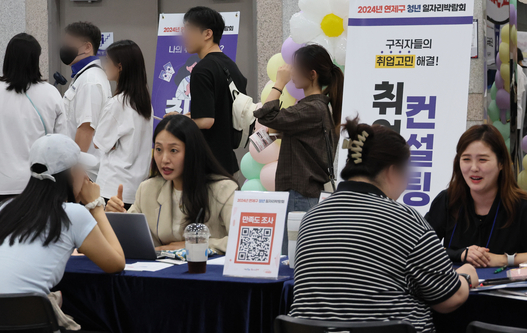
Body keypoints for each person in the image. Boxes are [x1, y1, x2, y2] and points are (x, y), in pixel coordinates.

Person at [289, 117, 478, 333]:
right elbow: (450, 298)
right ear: (392, 171)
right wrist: (465, 276)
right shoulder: (405, 220)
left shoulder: (311, 218)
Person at [0, 134, 125, 297]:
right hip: (25, 318)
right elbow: (116, 263)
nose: (86, 177)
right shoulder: (73, 214)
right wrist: (96, 206)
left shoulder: (5, 208)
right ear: (72, 174)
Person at [0, 33, 67, 231]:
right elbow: (61, 143)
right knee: (36, 244)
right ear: (36, 60)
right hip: (39, 187)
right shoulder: (51, 93)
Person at [254, 44, 342, 253]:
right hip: (305, 193)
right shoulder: (318, 107)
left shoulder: (311, 108)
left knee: (291, 258)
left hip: (300, 194)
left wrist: (279, 83)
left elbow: (266, 115)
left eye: (295, 68)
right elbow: (273, 125)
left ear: (311, 74)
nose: (291, 72)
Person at [105, 115, 237, 253]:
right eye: (158, 149)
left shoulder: (223, 190)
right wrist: (114, 217)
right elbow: (130, 239)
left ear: (192, 151)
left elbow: (242, 240)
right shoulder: (147, 189)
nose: (164, 159)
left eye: (173, 150)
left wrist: (193, 245)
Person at [427, 125, 527, 267]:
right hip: (457, 287)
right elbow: (420, 248)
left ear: (501, 163)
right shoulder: (447, 200)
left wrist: (502, 260)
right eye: (466, 159)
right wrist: (460, 254)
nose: (474, 168)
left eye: (482, 160)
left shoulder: (522, 206)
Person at [178, 6, 247, 175]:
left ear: (207, 34)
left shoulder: (202, 69)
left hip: (208, 166)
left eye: (188, 29)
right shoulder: (231, 66)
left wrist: (178, 122)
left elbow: (206, 121)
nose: (184, 36)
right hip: (228, 164)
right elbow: (221, 112)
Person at [94, 40, 153, 208]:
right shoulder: (145, 103)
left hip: (112, 188)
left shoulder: (117, 103)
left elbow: (99, 143)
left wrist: (113, 143)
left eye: (107, 61)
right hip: (136, 188)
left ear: (120, 67)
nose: (104, 65)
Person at [60, 21, 112, 180]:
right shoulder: (84, 76)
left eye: (70, 43)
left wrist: (74, 169)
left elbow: (86, 127)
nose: (65, 47)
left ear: (87, 47)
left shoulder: (90, 80)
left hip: (85, 173)